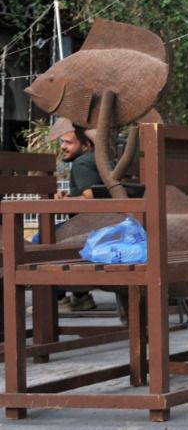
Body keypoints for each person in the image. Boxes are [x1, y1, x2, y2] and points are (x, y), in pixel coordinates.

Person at [55, 121, 103, 311]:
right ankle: (81, 296)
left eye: (68, 143)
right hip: (103, 223)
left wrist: (66, 202)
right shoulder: (99, 159)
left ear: (86, 146)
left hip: (90, 227)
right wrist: (72, 198)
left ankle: (58, 300)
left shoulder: (82, 162)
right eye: (62, 142)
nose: (63, 147)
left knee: (40, 239)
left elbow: (91, 197)